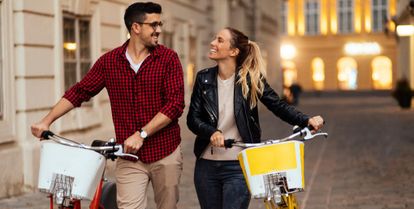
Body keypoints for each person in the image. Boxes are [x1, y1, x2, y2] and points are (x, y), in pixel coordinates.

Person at [31, 2, 185, 209]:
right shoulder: (109, 62)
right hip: (129, 157)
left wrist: (142, 134)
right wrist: (46, 121)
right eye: (153, 24)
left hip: (165, 152)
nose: (159, 30)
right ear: (135, 27)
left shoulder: (168, 59)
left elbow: (175, 104)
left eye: (160, 24)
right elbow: (80, 91)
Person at [186, 27, 324, 209]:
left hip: (239, 165)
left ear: (233, 51)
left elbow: (278, 105)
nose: (212, 43)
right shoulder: (204, 78)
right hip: (206, 166)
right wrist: (211, 132)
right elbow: (193, 118)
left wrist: (306, 120)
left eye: (219, 40)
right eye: (214, 39)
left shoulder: (251, 79)